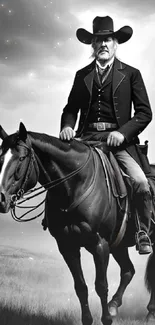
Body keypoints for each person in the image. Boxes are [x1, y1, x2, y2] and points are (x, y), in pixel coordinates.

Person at [59, 16, 153, 254]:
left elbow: (144, 113)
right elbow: (70, 109)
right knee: (59, 173)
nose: (103, 44)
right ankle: (54, 218)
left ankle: (142, 231)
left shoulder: (131, 74)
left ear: (115, 43)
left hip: (119, 143)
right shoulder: (82, 75)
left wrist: (122, 134)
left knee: (141, 182)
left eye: (108, 39)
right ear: (93, 44)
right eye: (99, 40)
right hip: (86, 139)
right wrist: (67, 126)